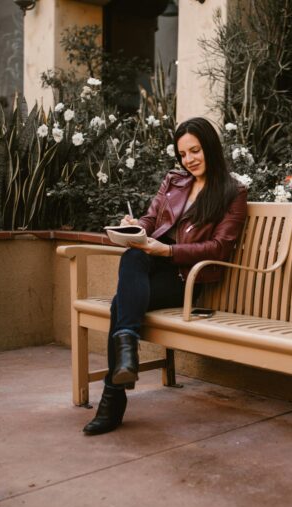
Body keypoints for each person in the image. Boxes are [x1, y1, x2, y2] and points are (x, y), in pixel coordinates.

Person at [83, 117, 248, 435]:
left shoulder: (232, 193)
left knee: (121, 305)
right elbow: (149, 219)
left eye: (196, 151)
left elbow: (219, 248)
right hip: (151, 263)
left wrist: (167, 252)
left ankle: (113, 399)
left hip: (184, 278)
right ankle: (126, 354)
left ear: (210, 147)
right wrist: (135, 227)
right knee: (133, 253)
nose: (190, 160)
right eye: (183, 154)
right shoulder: (174, 181)